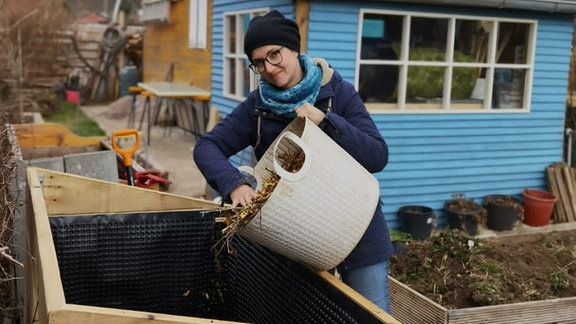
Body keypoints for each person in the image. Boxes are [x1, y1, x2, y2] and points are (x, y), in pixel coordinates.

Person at [193, 10, 394, 313]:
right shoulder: (257, 107)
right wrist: (235, 185)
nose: (270, 68)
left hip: (357, 228)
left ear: (294, 48)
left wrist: (326, 121)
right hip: (296, 237)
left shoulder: (337, 92)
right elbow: (206, 147)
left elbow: (377, 156)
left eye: (275, 54)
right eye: (259, 62)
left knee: (369, 315)